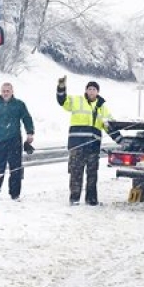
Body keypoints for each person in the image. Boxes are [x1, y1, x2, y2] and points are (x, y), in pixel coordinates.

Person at [57, 76, 111, 206]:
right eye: (89, 89)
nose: (91, 91)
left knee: (92, 174)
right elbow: (62, 100)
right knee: (76, 172)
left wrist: (121, 140)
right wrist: (61, 87)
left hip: (93, 146)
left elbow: (109, 125)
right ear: (86, 91)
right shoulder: (77, 101)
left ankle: (91, 199)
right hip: (77, 144)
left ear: (98, 92)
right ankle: (74, 198)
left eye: (94, 89)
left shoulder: (102, 107)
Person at [0, 82, 35, 201]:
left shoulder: (19, 105)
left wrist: (30, 132)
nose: (5, 93)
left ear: (12, 91)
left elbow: (27, 118)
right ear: (0, 92)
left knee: (16, 168)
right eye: (3, 91)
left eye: (8, 91)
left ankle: (15, 194)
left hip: (14, 140)